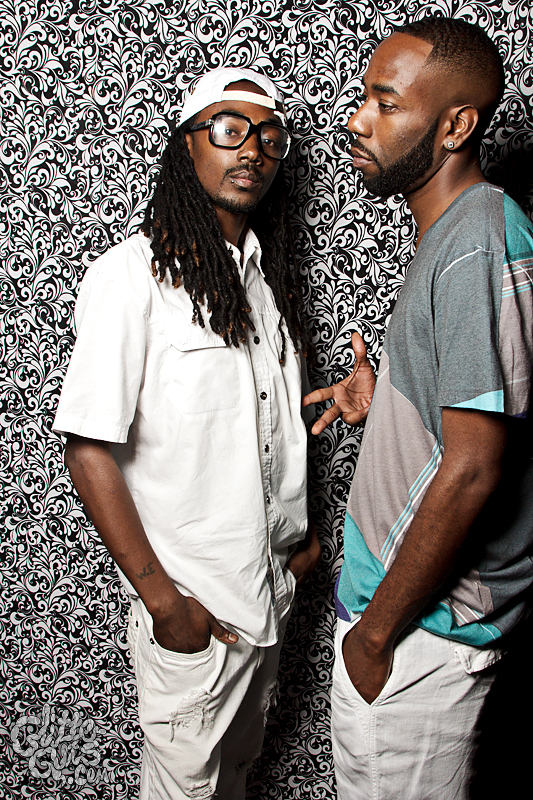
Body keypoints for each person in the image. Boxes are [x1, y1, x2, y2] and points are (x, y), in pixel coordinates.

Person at [53, 67, 320, 800]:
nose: (253, 150)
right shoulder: (129, 276)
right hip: (197, 614)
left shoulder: (264, 281)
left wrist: (297, 550)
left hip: (271, 598)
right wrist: (165, 605)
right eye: (230, 129)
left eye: (270, 137)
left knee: (236, 781)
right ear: (188, 145)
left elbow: (251, 427)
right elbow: (88, 450)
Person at [304, 16, 533, 800]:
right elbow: (460, 425)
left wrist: (374, 638)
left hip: (418, 640)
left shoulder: (478, 237)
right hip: (402, 633)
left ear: (455, 126)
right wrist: (387, 405)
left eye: (386, 102)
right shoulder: (451, 236)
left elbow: (473, 469)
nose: (355, 119)